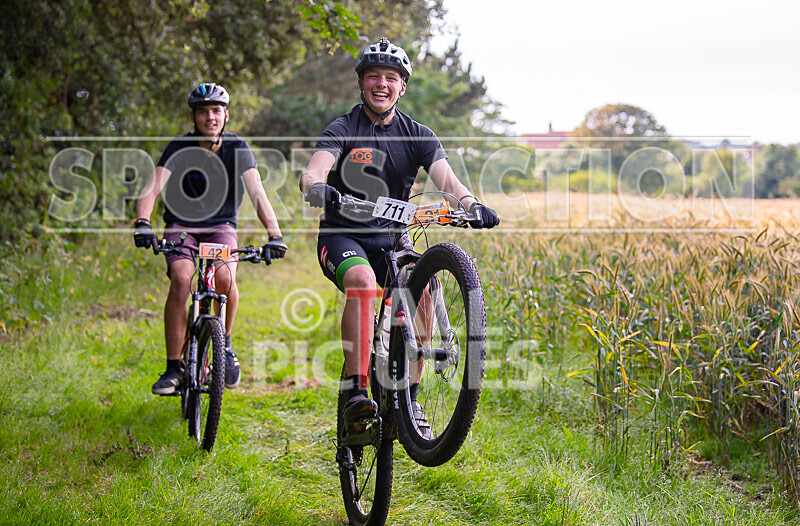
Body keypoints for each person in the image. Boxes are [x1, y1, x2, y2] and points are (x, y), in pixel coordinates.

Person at [299, 38, 499, 436]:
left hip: (393, 241)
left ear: (402, 87)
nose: (382, 84)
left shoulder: (418, 134)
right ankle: (357, 393)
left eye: (391, 78)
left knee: (422, 291)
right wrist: (316, 186)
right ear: (361, 83)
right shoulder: (343, 128)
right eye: (373, 76)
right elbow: (314, 170)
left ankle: (409, 397)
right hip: (344, 237)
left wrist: (471, 204)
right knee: (362, 282)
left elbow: (448, 183)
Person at [133, 82, 288, 395]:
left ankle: (225, 345)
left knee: (225, 279)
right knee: (181, 278)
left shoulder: (237, 147)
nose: (210, 117)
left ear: (226, 114)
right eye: (202, 112)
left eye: (216, 110)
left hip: (221, 227)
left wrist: (275, 234)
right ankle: (173, 367)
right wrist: (142, 222)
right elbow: (152, 188)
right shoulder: (179, 146)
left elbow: (257, 193)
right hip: (182, 226)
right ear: (194, 117)